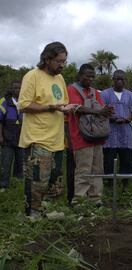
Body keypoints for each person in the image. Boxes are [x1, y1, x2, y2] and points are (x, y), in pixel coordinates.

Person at [18, 41, 71, 217]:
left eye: (64, 61)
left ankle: (46, 210)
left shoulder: (60, 78)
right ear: (47, 59)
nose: (62, 65)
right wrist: (50, 107)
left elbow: (61, 103)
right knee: (36, 180)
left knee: (54, 179)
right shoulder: (32, 76)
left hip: (56, 138)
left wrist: (67, 109)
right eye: (59, 61)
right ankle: (31, 214)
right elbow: (23, 105)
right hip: (37, 138)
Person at [67, 64, 113, 205]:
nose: (90, 79)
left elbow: (100, 107)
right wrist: (99, 112)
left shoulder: (95, 92)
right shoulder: (71, 89)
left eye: (93, 76)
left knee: (97, 168)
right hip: (81, 137)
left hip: (97, 137)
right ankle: (80, 200)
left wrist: (106, 110)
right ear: (80, 75)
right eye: (87, 76)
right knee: (83, 169)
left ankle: (95, 199)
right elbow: (76, 108)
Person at [101, 70, 132, 190]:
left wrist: (127, 119)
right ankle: (109, 185)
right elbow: (101, 111)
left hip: (125, 133)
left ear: (125, 80)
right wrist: (111, 118)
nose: (120, 81)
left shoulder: (131, 96)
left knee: (126, 160)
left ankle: (125, 186)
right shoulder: (105, 94)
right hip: (109, 133)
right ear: (113, 79)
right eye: (117, 79)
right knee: (108, 161)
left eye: (122, 79)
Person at [0, 81, 23, 189]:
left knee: (20, 162)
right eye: (15, 88)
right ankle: (4, 185)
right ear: (11, 88)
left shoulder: (24, 101)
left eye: (19, 88)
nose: (17, 90)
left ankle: (16, 183)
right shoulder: (4, 101)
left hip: (21, 138)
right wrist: (0, 136)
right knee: (6, 163)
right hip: (7, 137)